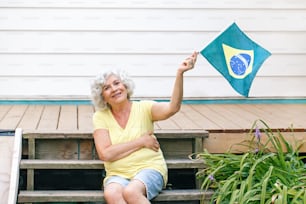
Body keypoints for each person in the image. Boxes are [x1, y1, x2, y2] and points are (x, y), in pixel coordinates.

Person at [90, 51, 198, 204]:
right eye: (107, 88)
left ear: (125, 85)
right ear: (102, 96)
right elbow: (106, 154)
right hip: (117, 174)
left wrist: (180, 73)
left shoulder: (144, 108)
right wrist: (141, 142)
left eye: (116, 83)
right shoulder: (100, 117)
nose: (114, 89)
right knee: (112, 194)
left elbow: (173, 108)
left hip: (149, 168)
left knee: (131, 192)